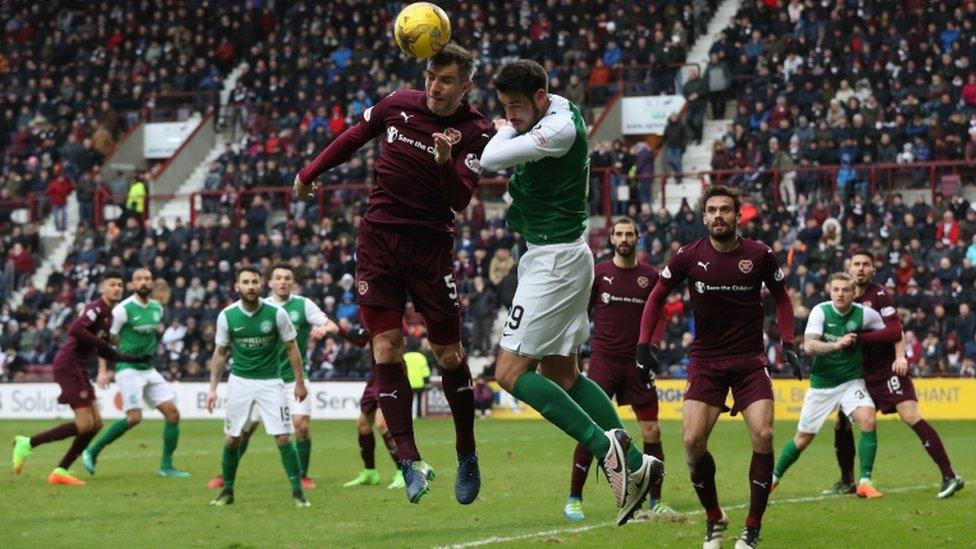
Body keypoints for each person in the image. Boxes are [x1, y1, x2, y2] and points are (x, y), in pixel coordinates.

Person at [294, 43, 491, 505]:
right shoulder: (397, 104)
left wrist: (444, 164)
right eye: (429, 76)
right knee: (385, 345)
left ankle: (467, 451)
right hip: (378, 240)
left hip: (430, 248)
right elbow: (351, 137)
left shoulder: (476, 130)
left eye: (445, 80)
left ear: (466, 85)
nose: (434, 87)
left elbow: (460, 199)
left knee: (447, 354)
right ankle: (409, 460)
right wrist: (309, 171)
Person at [481, 59, 662, 527]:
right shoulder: (557, 109)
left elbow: (490, 159)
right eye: (504, 107)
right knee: (562, 375)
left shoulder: (559, 128)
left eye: (516, 106)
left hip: (555, 262)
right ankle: (636, 466)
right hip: (560, 256)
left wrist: (502, 131)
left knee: (510, 372)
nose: (511, 114)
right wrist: (507, 125)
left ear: (541, 96)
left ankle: (608, 450)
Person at [636, 185, 801, 549]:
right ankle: (714, 518)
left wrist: (788, 341)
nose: (719, 216)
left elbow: (783, 299)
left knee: (764, 434)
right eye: (712, 210)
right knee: (692, 442)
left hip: (749, 361)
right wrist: (644, 343)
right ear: (704, 216)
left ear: (738, 215)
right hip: (706, 362)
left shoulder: (760, 255)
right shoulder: (687, 256)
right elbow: (657, 296)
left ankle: (752, 527)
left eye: (726, 209)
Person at [208, 264, 369, 490]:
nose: (283, 282)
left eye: (287, 278)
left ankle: (302, 475)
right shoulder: (261, 309)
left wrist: (325, 329)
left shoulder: (303, 305)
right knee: (244, 431)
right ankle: (225, 475)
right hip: (262, 379)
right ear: (270, 283)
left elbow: (331, 325)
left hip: (294, 379)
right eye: (278, 278)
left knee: (301, 426)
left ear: (293, 282)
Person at [564, 217, 677, 522]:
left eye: (629, 233)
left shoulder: (650, 276)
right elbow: (581, 312)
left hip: (637, 362)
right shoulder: (599, 272)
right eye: (619, 234)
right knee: (590, 430)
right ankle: (574, 498)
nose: (624, 238)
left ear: (637, 237)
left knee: (652, 430)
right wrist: (572, 349)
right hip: (604, 361)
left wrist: (651, 346)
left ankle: (656, 501)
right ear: (611, 238)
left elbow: (661, 316)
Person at [825, 252, 964, 498]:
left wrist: (897, 355)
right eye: (856, 264)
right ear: (849, 267)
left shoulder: (879, 295)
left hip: (886, 369)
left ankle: (950, 475)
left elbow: (894, 330)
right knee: (842, 421)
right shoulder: (843, 296)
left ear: (872, 269)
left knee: (910, 415)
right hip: (860, 374)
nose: (860, 268)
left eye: (865, 264)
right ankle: (846, 480)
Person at [12, 270, 150, 485]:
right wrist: (104, 345)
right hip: (68, 365)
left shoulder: (109, 315)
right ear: (103, 287)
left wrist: (128, 357)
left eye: (120, 285)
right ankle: (28, 443)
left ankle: (60, 471)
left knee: (96, 424)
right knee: (85, 424)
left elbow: (104, 350)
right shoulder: (96, 308)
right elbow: (76, 329)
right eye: (112, 284)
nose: (117, 289)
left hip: (79, 366)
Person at [771, 272, 894, 500]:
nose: (840, 293)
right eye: (836, 289)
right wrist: (837, 344)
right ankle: (772, 479)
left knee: (868, 419)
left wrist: (893, 355)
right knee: (802, 439)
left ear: (853, 293)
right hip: (823, 384)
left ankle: (865, 482)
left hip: (851, 381)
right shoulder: (821, 311)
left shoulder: (865, 314)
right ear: (830, 291)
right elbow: (809, 346)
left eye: (845, 290)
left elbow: (892, 330)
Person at [204, 267, 309, 507]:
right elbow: (220, 354)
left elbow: (292, 347)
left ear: (261, 285)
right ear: (237, 287)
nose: (250, 286)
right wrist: (212, 389)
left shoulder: (276, 313)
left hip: (271, 382)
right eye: (245, 282)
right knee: (232, 439)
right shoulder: (227, 316)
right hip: (239, 382)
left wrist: (299, 382)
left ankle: (298, 492)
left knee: (283, 437)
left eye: (254, 282)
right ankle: (227, 491)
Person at [82, 268, 189, 479]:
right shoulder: (122, 310)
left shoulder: (157, 308)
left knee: (173, 414)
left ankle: (166, 466)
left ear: (152, 283)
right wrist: (103, 370)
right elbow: (104, 340)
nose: (143, 282)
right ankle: (92, 451)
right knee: (134, 418)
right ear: (132, 284)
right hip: (128, 369)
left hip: (148, 368)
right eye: (139, 279)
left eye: (147, 279)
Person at [344, 363, 404, 490]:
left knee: (382, 424)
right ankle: (370, 472)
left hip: (389, 376)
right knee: (362, 426)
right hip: (375, 377)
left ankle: (404, 472)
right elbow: (362, 342)